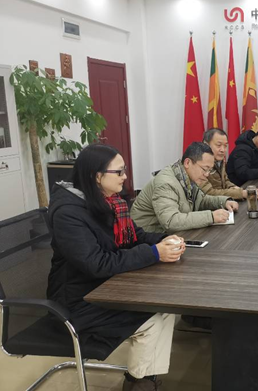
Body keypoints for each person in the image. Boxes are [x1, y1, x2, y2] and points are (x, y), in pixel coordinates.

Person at [47, 144, 185, 391]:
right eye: (119, 172)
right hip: (78, 301)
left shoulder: (109, 202)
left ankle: (142, 379)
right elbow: (96, 263)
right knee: (155, 316)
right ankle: (138, 383)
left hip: (106, 287)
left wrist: (166, 240)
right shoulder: (68, 213)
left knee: (164, 308)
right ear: (97, 176)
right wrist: (154, 253)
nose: (125, 177)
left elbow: (134, 236)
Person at [131, 142, 239, 233]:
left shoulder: (185, 176)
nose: (207, 174)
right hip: (146, 238)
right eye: (205, 169)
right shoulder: (166, 183)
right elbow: (171, 221)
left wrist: (224, 201)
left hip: (170, 236)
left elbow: (201, 201)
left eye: (209, 170)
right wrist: (211, 217)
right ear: (187, 163)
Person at [201, 128, 258, 200]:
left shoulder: (220, 160)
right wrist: (241, 193)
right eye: (218, 145)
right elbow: (209, 193)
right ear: (206, 145)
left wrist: (239, 190)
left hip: (222, 201)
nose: (223, 150)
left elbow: (225, 181)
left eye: (225, 146)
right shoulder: (200, 164)